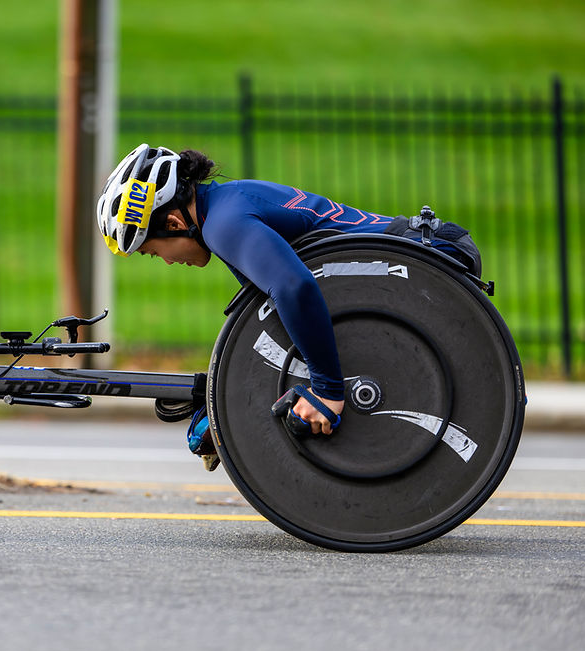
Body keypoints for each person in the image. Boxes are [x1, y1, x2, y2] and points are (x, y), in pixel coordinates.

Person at [95, 144, 481, 471]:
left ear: (175, 223)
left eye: (151, 251)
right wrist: (227, 396)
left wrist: (328, 390)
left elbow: (294, 288)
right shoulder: (227, 205)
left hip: (433, 258)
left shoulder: (223, 225)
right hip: (422, 255)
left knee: (319, 378)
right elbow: (279, 322)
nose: (164, 261)